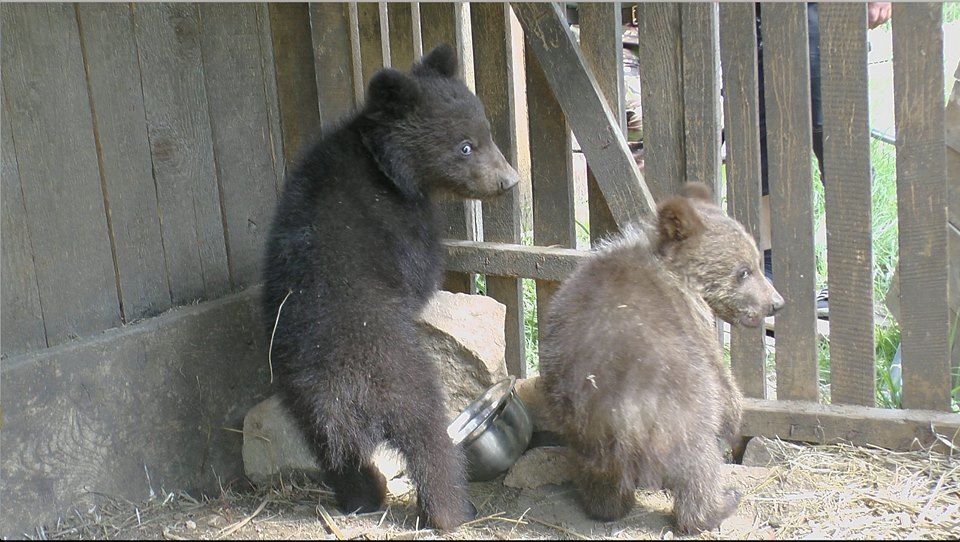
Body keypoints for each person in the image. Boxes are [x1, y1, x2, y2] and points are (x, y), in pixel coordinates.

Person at [756, 2, 891, 318]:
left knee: (837, 143)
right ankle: (774, 269)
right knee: (763, 145)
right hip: (754, 16)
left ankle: (849, 276)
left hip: (824, 13)